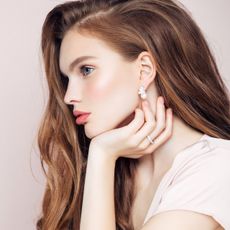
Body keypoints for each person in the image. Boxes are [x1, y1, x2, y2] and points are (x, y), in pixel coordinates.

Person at [36, 0, 230, 229]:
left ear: (144, 70)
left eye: (86, 70)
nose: (69, 97)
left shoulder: (218, 168)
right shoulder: (119, 170)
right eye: (67, 79)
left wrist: (102, 154)